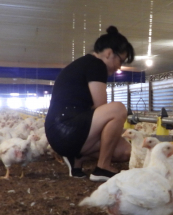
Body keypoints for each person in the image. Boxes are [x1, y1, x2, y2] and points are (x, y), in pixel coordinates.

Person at [45, 26, 134, 182]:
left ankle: (76, 159)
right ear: (109, 53)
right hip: (66, 128)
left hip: (60, 132)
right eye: (120, 60)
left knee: (125, 152)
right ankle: (103, 168)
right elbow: (101, 106)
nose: (119, 67)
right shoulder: (96, 64)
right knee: (118, 109)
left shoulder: (84, 64)